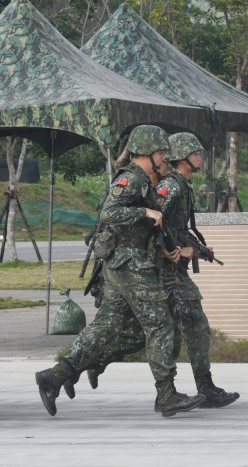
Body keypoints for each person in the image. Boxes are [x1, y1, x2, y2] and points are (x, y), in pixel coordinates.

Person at [34, 125, 204, 418]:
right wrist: (144, 212)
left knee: (107, 327)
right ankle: (167, 394)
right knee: (161, 324)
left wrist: (165, 248)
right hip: (128, 264)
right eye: (162, 153)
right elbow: (109, 213)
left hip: (126, 262)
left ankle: (54, 376)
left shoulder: (146, 181)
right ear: (147, 153)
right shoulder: (130, 179)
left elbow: (145, 229)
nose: (166, 158)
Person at [69, 133, 239, 409]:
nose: (200, 158)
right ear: (182, 157)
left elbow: (171, 227)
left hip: (165, 266)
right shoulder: (170, 187)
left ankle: (95, 361)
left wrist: (194, 248)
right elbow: (152, 224)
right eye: (196, 153)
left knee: (147, 332)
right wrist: (169, 251)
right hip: (161, 269)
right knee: (187, 325)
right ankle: (196, 389)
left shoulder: (182, 185)